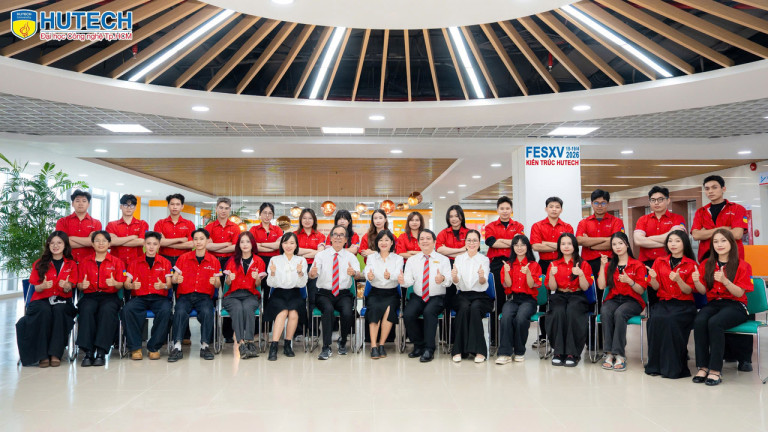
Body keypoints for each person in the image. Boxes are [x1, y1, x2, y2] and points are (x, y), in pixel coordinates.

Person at [691, 175, 752, 372]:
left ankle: (743, 358)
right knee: (707, 315)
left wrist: (709, 232)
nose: (710, 191)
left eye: (714, 187)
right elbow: (696, 234)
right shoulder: (701, 211)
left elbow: (737, 234)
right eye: (707, 188)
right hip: (709, 261)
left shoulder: (737, 209)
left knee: (729, 311)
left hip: (733, 262)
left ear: (723, 189)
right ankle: (709, 362)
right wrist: (722, 230)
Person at [692, 229, 753, 386]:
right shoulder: (707, 264)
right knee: (699, 320)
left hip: (736, 304)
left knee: (715, 322)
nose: (719, 244)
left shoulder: (743, 265)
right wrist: (696, 281)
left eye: (723, 241)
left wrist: (725, 281)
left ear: (731, 243)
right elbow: (703, 291)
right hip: (715, 303)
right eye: (716, 241)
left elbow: (739, 293)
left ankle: (715, 369)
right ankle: (703, 366)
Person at [17, 231, 78, 367]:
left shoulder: (71, 264)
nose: (55, 246)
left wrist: (66, 286)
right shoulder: (39, 264)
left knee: (59, 310)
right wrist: (42, 286)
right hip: (41, 300)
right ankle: (42, 355)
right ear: (48, 245)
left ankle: (55, 354)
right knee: (43, 311)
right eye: (52, 243)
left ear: (65, 245)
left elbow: (70, 286)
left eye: (59, 243)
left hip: (62, 300)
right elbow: (36, 288)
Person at [645, 230, 698, 379]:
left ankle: (674, 368)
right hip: (665, 302)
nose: (673, 244)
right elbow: (655, 287)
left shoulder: (691, 264)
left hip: (684, 305)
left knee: (671, 320)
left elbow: (689, 290)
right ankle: (655, 366)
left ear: (684, 244)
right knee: (654, 320)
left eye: (677, 241)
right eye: (670, 241)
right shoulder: (659, 261)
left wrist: (679, 280)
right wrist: (653, 278)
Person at [168, 228, 221, 362]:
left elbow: (218, 284)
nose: (198, 242)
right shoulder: (183, 258)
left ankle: (205, 346)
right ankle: (177, 346)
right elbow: (173, 279)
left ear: (207, 241)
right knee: (179, 311)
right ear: (192, 242)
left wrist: (215, 282)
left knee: (207, 312)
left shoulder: (214, 260)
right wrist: (176, 279)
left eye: (201, 239)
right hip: (185, 295)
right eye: (195, 239)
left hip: (204, 296)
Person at [597, 232, 647, 371]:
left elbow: (641, 290)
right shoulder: (610, 265)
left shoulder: (637, 265)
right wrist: (602, 266)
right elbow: (601, 286)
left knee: (620, 313)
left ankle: (619, 354)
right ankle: (608, 353)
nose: (617, 247)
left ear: (627, 245)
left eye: (620, 243)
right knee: (605, 311)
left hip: (633, 301)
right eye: (614, 244)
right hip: (614, 299)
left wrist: (630, 281)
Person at [399, 229, 451, 363]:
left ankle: (429, 348)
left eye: (428, 238)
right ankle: (418, 345)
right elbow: (408, 282)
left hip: (437, 297)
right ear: (418, 243)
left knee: (429, 312)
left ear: (434, 242)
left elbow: (449, 281)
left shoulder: (443, 260)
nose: (425, 241)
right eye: (422, 239)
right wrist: (403, 281)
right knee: (408, 314)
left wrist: (443, 278)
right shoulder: (412, 260)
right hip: (418, 296)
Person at [310, 224, 361, 360]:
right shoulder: (321, 255)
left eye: (341, 235)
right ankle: (326, 346)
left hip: (343, 294)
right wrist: (312, 274)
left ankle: (342, 341)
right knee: (328, 309)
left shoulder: (351, 257)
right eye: (335, 235)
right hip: (324, 294)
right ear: (331, 238)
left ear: (346, 240)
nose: (338, 237)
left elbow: (358, 274)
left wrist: (354, 273)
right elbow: (312, 275)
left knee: (347, 312)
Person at [76, 231, 126, 367]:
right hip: (90, 295)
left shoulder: (117, 262)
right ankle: (88, 352)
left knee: (107, 310)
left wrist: (115, 283)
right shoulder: (84, 262)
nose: (101, 243)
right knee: (86, 309)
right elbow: (78, 284)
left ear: (109, 244)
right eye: (97, 241)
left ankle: (101, 351)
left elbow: (121, 284)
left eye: (104, 241)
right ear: (92, 244)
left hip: (110, 296)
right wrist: (81, 285)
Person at [529, 197, 573, 349]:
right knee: (544, 301)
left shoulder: (567, 227)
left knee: (563, 298)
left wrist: (546, 243)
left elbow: (569, 247)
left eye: (557, 206)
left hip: (563, 264)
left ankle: (561, 334)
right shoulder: (537, 226)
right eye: (551, 206)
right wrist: (559, 245)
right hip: (544, 264)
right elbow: (535, 246)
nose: (554, 209)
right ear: (546, 209)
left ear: (561, 209)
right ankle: (543, 336)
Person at [545, 233, 593, 367]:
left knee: (572, 311)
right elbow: (552, 287)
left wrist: (581, 274)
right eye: (563, 244)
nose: (566, 246)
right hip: (559, 295)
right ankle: (558, 352)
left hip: (577, 295)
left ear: (575, 246)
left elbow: (585, 287)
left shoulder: (583, 264)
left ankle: (573, 353)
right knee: (558, 312)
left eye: (569, 243)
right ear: (559, 246)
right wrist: (552, 275)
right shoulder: (553, 264)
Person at [633, 186, 686, 307]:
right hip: (647, 264)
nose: (656, 203)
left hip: (670, 264)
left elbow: (679, 237)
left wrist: (647, 239)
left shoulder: (677, 218)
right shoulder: (642, 219)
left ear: (668, 200)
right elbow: (638, 241)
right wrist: (667, 240)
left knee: (670, 295)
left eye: (660, 199)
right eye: (653, 200)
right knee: (651, 297)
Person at [122, 231, 172, 360]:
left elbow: (169, 284)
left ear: (159, 245)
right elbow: (126, 284)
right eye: (149, 243)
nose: (151, 247)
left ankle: (154, 347)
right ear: (144, 244)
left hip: (159, 298)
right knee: (127, 309)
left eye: (155, 244)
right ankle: (135, 347)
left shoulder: (165, 262)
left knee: (166, 310)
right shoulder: (134, 262)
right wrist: (132, 286)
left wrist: (163, 286)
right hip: (140, 297)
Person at [154, 193, 195, 344]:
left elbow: (191, 244)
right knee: (164, 296)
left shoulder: (189, 224)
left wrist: (168, 241)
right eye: (172, 204)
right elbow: (159, 243)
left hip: (183, 261)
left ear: (182, 206)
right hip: (164, 261)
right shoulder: (160, 223)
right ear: (168, 206)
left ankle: (184, 334)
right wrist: (180, 240)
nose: (175, 207)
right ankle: (164, 334)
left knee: (182, 296)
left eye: (178, 204)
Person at [496, 234, 542, 365]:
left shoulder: (534, 265)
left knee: (521, 318)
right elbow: (508, 285)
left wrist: (528, 273)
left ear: (527, 247)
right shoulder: (508, 264)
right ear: (512, 247)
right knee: (506, 316)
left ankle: (519, 351)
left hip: (529, 300)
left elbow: (532, 285)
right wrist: (506, 271)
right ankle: (505, 353)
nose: (519, 248)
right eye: (516, 245)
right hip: (513, 298)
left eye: (522, 245)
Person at [485, 196, 525, 340]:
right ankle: (495, 337)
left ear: (511, 210)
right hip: (496, 264)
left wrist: (501, 241)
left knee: (514, 299)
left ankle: (512, 336)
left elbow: (520, 244)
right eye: (502, 208)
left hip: (514, 263)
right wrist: (512, 242)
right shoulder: (490, 226)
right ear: (497, 210)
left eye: (507, 208)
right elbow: (491, 243)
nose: (505, 211)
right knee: (498, 299)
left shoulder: (518, 226)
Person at [450, 229, 492, 363]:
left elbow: (483, 282)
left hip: (480, 296)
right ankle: (458, 350)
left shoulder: (484, 259)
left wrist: (481, 277)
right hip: (462, 295)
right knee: (463, 308)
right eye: (469, 240)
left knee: (475, 308)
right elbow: (456, 282)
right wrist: (454, 277)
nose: (472, 243)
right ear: (465, 242)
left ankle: (479, 351)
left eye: (475, 240)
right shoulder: (459, 259)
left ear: (479, 243)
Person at [223, 231, 266, 360]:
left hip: (250, 295)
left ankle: (250, 342)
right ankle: (241, 343)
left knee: (247, 308)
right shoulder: (232, 261)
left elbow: (258, 284)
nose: (245, 244)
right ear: (238, 245)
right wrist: (229, 279)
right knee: (237, 308)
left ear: (252, 244)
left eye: (248, 242)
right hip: (233, 295)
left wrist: (257, 278)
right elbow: (227, 284)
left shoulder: (258, 261)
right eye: (242, 242)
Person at [265, 232, 307, 361]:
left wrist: (300, 273)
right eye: (285, 242)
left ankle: (288, 344)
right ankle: (274, 346)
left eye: (292, 243)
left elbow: (302, 284)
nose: (288, 246)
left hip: (295, 293)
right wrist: (272, 273)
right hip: (279, 293)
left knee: (293, 313)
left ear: (296, 245)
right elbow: (271, 284)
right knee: (282, 312)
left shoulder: (301, 260)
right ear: (281, 245)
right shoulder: (275, 260)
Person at [204, 197, 241, 343]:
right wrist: (226, 243)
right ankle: (211, 333)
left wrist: (216, 246)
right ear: (216, 209)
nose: (223, 211)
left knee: (228, 295)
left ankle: (227, 334)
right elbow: (206, 246)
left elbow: (235, 247)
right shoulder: (209, 227)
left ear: (230, 210)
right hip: (212, 262)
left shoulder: (235, 227)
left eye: (226, 208)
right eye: (221, 208)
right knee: (211, 294)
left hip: (229, 262)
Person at [364, 230, 404, 359]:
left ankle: (381, 345)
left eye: (387, 240)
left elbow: (398, 274)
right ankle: (373, 346)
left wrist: (390, 275)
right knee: (374, 309)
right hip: (375, 292)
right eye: (381, 240)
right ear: (377, 243)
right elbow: (367, 270)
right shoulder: (372, 257)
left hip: (391, 293)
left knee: (388, 311)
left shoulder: (398, 258)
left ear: (392, 242)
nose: (383, 242)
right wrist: (369, 276)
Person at [296, 208, 326, 337]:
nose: (307, 221)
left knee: (313, 299)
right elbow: (294, 251)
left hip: (315, 269)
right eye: (304, 218)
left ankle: (313, 330)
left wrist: (302, 252)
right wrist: (313, 252)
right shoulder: (295, 235)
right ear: (300, 220)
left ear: (314, 220)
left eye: (310, 218)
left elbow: (321, 253)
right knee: (299, 299)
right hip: (298, 269)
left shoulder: (320, 236)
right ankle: (299, 331)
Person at [56, 189, 102, 264]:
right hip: (67, 262)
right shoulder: (62, 221)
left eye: (84, 201)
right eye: (77, 201)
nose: (80, 204)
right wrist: (88, 241)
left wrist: (70, 238)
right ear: (72, 204)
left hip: (89, 263)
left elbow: (95, 242)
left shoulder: (96, 223)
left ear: (88, 204)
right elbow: (61, 242)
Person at [250, 202, 283, 306]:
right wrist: (271, 246)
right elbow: (253, 246)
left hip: (274, 263)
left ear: (273, 215)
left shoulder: (277, 229)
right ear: (260, 214)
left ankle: (269, 313)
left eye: (270, 213)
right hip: (257, 262)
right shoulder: (254, 229)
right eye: (264, 213)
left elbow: (278, 246)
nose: (267, 216)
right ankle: (257, 312)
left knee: (271, 289)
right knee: (257, 288)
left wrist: (261, 244)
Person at [437, 204, 469, 310]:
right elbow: (439, 250)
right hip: (447, 265)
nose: (454, 219)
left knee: (463, 294)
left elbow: (470, 251)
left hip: (465, 265)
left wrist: (447, 251)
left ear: (462, 217)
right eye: (451, 216)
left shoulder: (468, 233)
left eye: (456, 216)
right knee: (448, 293)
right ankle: (447, 318)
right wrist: (461, 250)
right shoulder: (443, 233)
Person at [105, 194, 148, 268]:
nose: (129, 208)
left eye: (132, 206)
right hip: (116, 263)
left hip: (137, 263)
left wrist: (118, 241)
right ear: (120, 207)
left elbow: (141, 241)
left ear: (135, 208)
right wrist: (132, 237)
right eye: (125, 205)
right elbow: (111, 242)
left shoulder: (142, 224)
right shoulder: (112, 225)